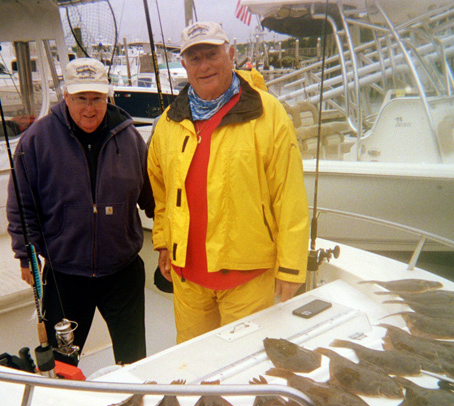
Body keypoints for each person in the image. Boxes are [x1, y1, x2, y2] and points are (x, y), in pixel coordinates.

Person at [148, 22, 310, 344]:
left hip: (247, 280)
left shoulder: (268, 113)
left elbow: (288, 195)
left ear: (231, 54)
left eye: (212, 54)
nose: (205, 65)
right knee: (195, 368)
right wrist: (164, 242)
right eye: (195, 58)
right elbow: (162, 193)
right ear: (184, 65)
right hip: (188, 281)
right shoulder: (169, 122)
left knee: (244, 368)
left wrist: (291, 268)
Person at [7, 57, 155, 365]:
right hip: (65, 274)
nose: (90, 108)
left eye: (97, 98)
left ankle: (136, 405)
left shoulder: (130, 139)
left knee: (135, 361)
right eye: (81, 99)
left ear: (107, 96)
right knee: (62, 365)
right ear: (66, 97)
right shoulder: (35, 141)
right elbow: (22, 207)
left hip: (123, 271)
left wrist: (172, 241)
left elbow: (154, 199)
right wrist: (26, 256)